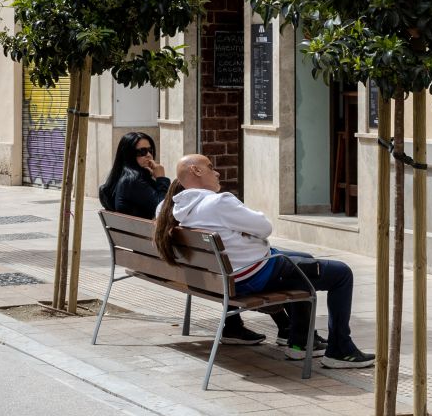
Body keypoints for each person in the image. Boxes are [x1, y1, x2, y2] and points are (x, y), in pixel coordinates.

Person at [154, 154, 373, 368]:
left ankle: (301, 342)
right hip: (254, 276)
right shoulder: (218, 203)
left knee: (305, 262)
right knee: (341, 273)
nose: (217, 173)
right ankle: (339, 349)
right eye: (211, 167)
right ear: (197, 171)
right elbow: (264, 227)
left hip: (226, 278)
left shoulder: (173, 208)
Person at [99, 134, 268, 347]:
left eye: (150, 150)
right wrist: (161, 178)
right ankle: (275, 328)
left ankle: (237, 327)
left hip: (153, 259)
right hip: (167, 263)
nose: (148, 155)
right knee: (233, 265)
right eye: (141, 152)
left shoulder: (118, 180)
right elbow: (163, 207)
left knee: (215, 260)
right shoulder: (133, 180)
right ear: (128, 155)